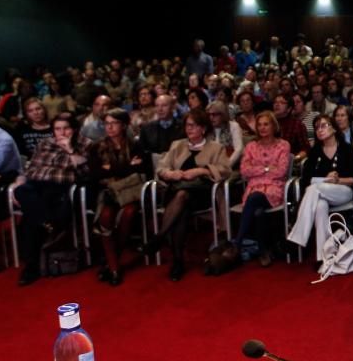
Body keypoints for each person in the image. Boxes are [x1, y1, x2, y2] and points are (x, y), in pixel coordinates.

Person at [143, 109, 231, 281]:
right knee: (181, 205)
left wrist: (201, 171)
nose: (189, 129)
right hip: (176, 190)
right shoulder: (177, 145)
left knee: (183, 197)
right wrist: (171, 174)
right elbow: (161, 168)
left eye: (193, 125)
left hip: (202, 193)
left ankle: (162, 240)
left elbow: (226, 170)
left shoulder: (215, 147)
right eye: (187, 125)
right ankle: (176, 258)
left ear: (203, 128)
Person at [15, 114, 91, 286]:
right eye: (57, 129)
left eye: (66, 128)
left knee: (28, 221)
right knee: (21, 190)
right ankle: (47, 222)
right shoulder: (45, 143)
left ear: (74, 129)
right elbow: (33, 168)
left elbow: (84, 173)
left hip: (59, 187)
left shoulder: (85, 144)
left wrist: (70, 150)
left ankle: (31, 267)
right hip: (36, 185)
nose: (62, 132)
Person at [287, 114, 353, 265]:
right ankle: (323, 256)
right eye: (316, 128)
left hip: (343, 191)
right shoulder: (315, 152)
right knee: (320, 205)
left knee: (314, 189)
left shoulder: (346, 149)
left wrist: (337, 180)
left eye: (324, 125)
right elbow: (306, 179)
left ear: (333, 128)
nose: (319, 130)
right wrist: (325, 179)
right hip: (319, 193)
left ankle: (297, 237)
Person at [88, 109, 151, 286]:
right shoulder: (96, 147)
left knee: (128, 213)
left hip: (131, 192)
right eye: (107, 123)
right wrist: (127, 167)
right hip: (107, 193)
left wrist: (111, 169)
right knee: (106, 217)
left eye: (114, 123)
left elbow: (143, 171)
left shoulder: (135, 146)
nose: (110, 127)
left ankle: (110, 262)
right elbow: (95, 174)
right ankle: (115, 267)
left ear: (123, 125)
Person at [234, 111, 290, 267]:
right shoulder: (251, 146)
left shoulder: (283, 145)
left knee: (255, 198)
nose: (263, 128)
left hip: (274, 189)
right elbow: (244, 170)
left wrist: (257, 169)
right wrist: (266, 168)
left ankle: (237, 243)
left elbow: (281, 171)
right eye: (259, 125)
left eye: (266, 124)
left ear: (274, 126)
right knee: (258, 210)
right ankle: (263, 250)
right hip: (253, 187)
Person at [207, 100, 244, 166]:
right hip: (212, 166)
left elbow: (238, 149)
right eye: (209, 115)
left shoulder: (233, 126)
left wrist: (226, 166)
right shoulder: (207, 128)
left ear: (223, 114)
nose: (211, 117)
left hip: (231, 165)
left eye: (214, 114)